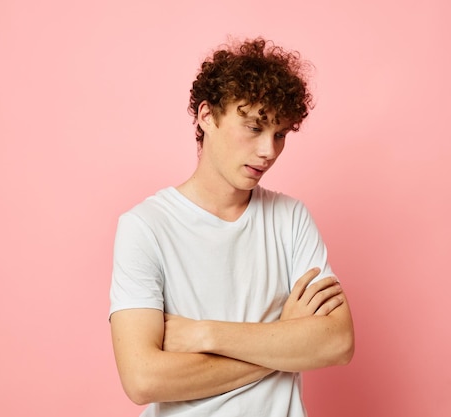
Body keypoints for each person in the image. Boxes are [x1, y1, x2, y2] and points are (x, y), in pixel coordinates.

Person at [109, 37, 355, 417]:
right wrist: (283, 343)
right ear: (207, 116)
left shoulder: (290, 218)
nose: (268, 151)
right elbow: (143, 380)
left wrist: (206, 334)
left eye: (279, 134)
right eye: (254, 127)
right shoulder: (145, 227)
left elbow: (337, 342)